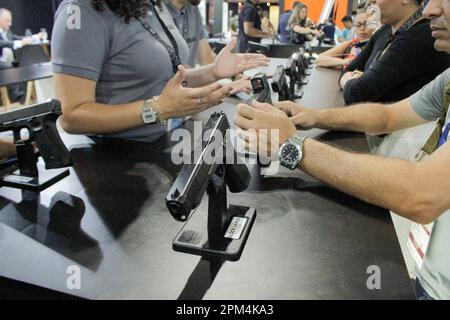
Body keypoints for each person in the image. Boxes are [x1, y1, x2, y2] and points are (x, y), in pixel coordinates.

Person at [234, 0, 450, 300]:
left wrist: (291, 145)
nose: (429, 11)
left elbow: (421, 194)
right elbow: (386, 115)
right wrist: (312, 116)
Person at [52, 0, 269, 140]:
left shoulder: (152, 6)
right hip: (116, 158)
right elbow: (71, 116)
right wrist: (158, 109)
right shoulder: (82, 10)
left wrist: (212, 71)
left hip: (167, 139)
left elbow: (168, 80)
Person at [340, 0, 450, 105]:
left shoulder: (418, 37)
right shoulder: (384, 32)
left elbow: (357, 94)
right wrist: (355, 80)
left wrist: (352, 79)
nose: (371, 0)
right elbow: (348, 70)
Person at [166, 0, 253, 95]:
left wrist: (235, 75)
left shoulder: (192, 9)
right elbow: (174, 67)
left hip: (187, 95)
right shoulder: (155, 10)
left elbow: (206, 57)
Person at [0, 8, 34, 103]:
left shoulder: (7, 32)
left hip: (9, 62)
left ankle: (25, 96)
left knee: (24, 66)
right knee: (8, 67)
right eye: (7, 21)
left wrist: (32, 37)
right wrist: (19, 43)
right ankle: (18, 96)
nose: (10, 24)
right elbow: (2, 43)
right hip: (2, 63)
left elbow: (17, 38)